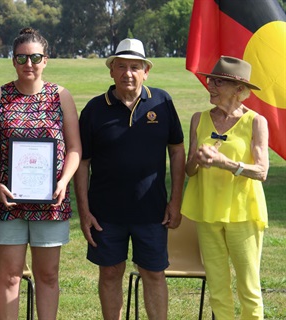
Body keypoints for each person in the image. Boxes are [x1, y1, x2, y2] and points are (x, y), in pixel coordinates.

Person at [73, 38, 185, 320]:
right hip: (105, 214)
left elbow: (177, 150)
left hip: (153, 212)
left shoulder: (162, 102)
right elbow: (82, 163)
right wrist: (84, 212)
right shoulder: (95, 109)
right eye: (121, 66)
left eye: (135, 67)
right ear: (111, 71)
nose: (128, 73)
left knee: (154, 273)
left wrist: (176, 200)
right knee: (110, 273)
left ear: (146, 71)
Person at [0, 27, 81, 319]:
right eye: (22, 58)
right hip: (7, 202)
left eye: (35, 57)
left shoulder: (60, 96)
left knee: (48, 276)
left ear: (46, 59)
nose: (29, 64)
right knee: (10, 276)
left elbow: (75, 149)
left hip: (51, 201)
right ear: (13, 60)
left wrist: (64, 181)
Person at [181, 56, 268, 319]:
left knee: (249, 289)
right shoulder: (198, 118)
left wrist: (225, 163)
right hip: (208, 213)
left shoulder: (256, 122)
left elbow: (262, 171)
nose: (211, 85)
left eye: (219, 82)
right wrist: (197, 159)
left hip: (243, 214)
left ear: (240, 90)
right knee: (218, 290)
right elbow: (189, 171)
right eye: (211, 80)